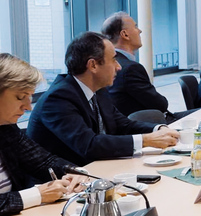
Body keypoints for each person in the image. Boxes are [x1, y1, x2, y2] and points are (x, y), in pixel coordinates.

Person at [28, 32, 179, 165]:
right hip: (61, 183)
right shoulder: (58, 99)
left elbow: (123, 125)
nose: (119, 67)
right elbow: (89, 145)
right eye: (113, 60)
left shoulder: (98, 90)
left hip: (98, 170)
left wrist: (159, 129)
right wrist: (146, 140)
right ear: (93, 65)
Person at [0, 53, 87, 216]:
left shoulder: (5, 128)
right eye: (20, 97)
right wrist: (37, 195)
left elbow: (43, 161)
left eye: (29, 97)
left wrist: (76, 174)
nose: (28, 107)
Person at [101, 12, 171, 117]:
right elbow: (160, 104)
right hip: (148, 126)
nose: (140, 31)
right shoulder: (130, 69)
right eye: (135, 27)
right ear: (125, 34)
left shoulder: (106, 65)